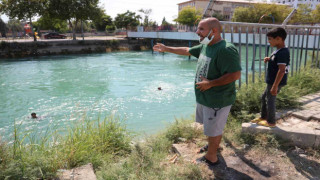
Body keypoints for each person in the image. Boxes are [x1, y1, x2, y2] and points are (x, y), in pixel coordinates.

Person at [153, 17, 241, 167]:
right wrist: (167, 49)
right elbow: (187, 51)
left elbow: (235, 74)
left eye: (201, 29)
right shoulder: (206, 45)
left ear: (213, 31)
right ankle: (214, 146)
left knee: (214, 129)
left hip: (217, 100)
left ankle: (211, 157)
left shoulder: (225, 49)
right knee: (210, 127)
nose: (197, 32)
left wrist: (210, 83)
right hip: (205, 97)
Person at [251, 27, 290, 128]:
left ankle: (271, 122)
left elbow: (281, 70)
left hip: (275, 82)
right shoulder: (278, 51)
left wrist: (275, 86)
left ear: (278, 39)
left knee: (270, 100)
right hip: (272, 81)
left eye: (270, 39)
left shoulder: (283, 52)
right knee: (264, 97)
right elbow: (276, 61)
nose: (269, 41)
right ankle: (264, 117)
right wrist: (269, 59)